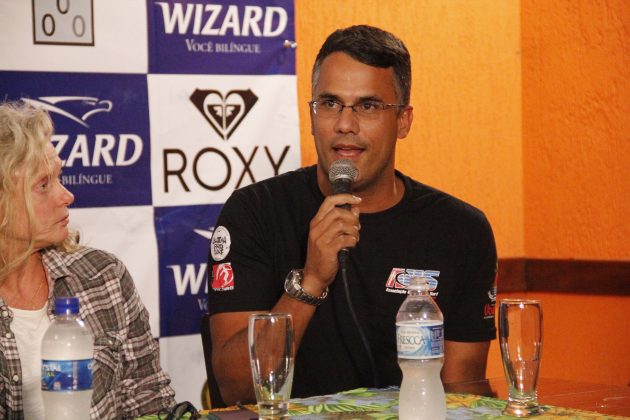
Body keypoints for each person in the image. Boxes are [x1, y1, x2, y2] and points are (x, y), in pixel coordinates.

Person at [207, 25, 497, 404]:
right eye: (329, 103)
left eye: (368, 106)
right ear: (311, 116)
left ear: (404, 121)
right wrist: (309, 283)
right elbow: (236, 389)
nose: (345, 125)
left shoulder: (461, 230)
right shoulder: (254, 213)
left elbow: (464, 392)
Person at [0, 101, 176, 418]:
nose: (66, 195)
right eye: (43, 185)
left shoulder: (103, 276)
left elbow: (150, 402)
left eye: (59, 177)